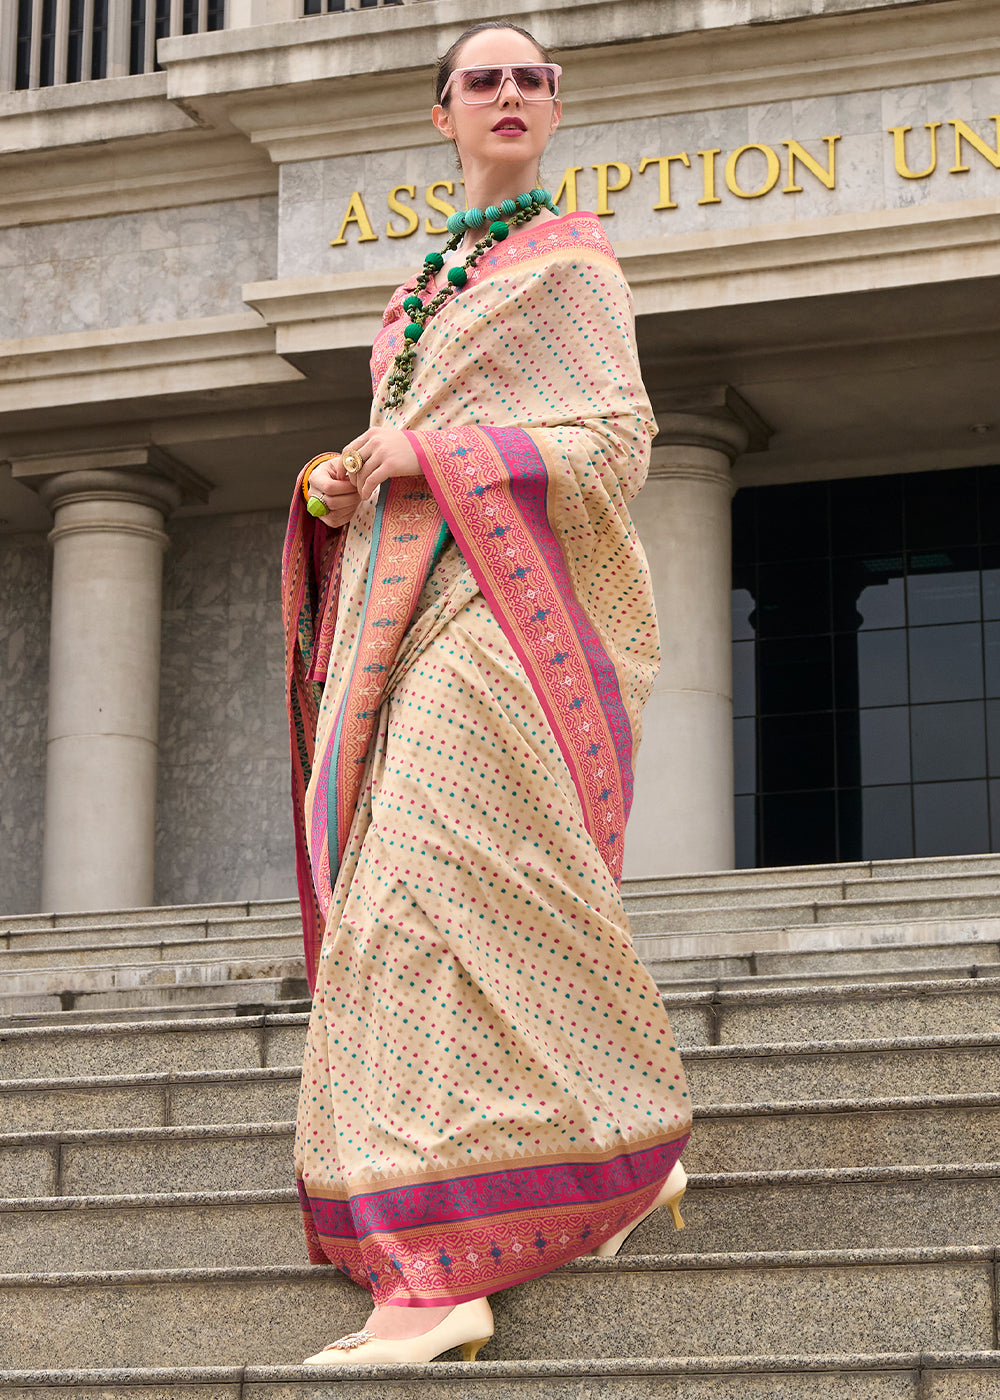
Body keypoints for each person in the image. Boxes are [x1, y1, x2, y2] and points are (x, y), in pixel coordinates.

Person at [281, 19, 692, 1367]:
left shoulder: (572, 260)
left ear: (555, 109)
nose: (509, 94)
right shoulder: (418, 293)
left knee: (430, 881)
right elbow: (397, 439)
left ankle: (443, 1269)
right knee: (457, 881)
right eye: (483, 80)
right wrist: (348, 478)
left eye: (531, 78)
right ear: (441, 111)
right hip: (408, 603)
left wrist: (432, 447)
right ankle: (618, 1139)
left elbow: (617, 441)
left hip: (510, 610)